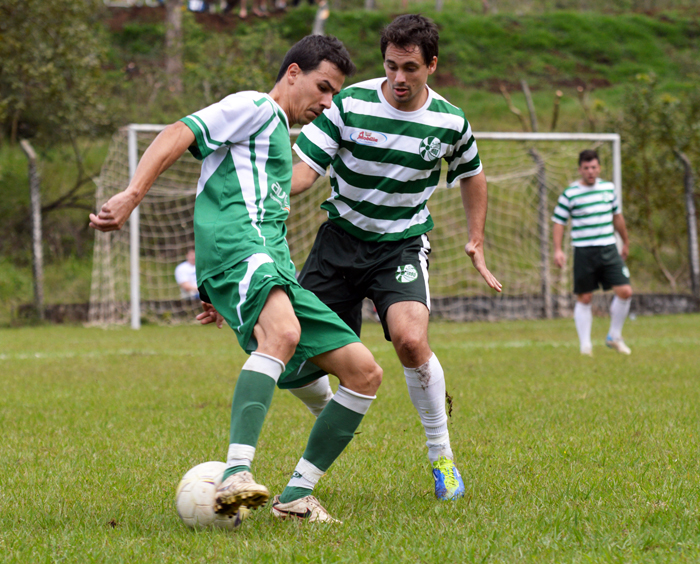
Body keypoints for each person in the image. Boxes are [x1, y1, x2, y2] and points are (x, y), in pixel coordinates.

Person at [89, 35, 383, 524]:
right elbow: (176, 132)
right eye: (322, 88)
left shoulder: (279, 142)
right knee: (284, 334)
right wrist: (132, 194)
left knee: (364, 373)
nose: (327, 103)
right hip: (240, 251)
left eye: (334, 94)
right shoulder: (253, 106)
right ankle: (236, 473)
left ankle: (296, 497)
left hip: (271, 266)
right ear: (293, 72)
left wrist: (216, 290)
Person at [289, 14, 502, 502]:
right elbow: (305, 169)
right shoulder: (350, 103)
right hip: (338, 241)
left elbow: (472, 174)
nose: (399, 79)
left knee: (410, 340)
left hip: (401, 246)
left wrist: (477, 238)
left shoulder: (451, 121)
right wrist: (274, 197)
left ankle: (442, 459)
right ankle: (330, 408)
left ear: (431, 64)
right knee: (292, 358)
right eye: (391, 66)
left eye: (410, 68)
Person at [552, 149, 633, 356]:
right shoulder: (570, 193)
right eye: (586, 168)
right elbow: (559, 222)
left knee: (625, 291)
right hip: (583, 250)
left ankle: (614, 336)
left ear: (599, 168)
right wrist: (558, 249)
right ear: (580, 169)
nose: (590, 171)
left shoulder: (608, 189)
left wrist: (625, 241)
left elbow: (617, 216)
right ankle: (585, 346)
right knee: (585, 297)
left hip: (608, 248)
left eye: (594, 167)